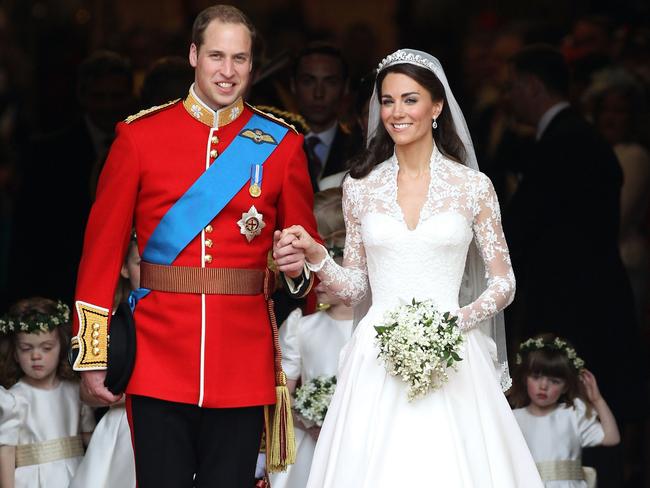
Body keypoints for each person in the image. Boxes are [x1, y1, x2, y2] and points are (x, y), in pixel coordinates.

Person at [70, 5, 319, 488]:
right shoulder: (139, 137)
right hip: (157, 357)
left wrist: (296, 269)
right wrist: (94, 354)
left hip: (243, 362)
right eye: (216, 56)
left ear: (252, 64)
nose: (227, 72)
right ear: (193, 55)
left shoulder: (281, 144)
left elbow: (303, 265)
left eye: (240, 59)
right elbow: (101, 253)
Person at [275, 49, 543, 486]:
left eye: (410, 99)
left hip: (453, 351)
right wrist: (320, 256)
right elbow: (356, 288)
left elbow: (503, 282)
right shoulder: (360, 187)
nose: (396, 112)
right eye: (387, 100)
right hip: (375, 356)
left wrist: (453, 323)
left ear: (437, 106)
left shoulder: (473, 187)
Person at [503, 45, 645, 428]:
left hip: (570, 303)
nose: (509, 96)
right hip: (593, 297)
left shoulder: (562, 144)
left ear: (533, 86)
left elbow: (525, 227)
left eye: (513, 86)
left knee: (577, 414)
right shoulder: (581, 137)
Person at [8, 51, 135, 306]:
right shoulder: (47, 155)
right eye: (100, 96)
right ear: (82, 97)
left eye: (116, 96)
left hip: (131, 293)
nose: (108, 105)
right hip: (64, 290)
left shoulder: (148, 147)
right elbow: (28, 235)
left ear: (130, 98)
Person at [269, 188, 354, 488]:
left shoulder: (370, 327)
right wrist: (309, 416)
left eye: (336, 255)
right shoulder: (300, 326)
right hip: (311, 440)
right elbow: (284, 393)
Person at [0, 297, 96, 488]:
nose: (36, 356)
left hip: (76, 475)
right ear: (15, 354)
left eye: (46, 348)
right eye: (26, 349)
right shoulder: (12, 400)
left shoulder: (76, 390)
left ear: (61, 347)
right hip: (32, 481)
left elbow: (91, 438)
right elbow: (6, 452)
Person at [70, 238, 140, 488]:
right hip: (120, 429)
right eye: (140, 263)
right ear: (123, 268)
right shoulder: (106, 322)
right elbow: (85, 394)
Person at [510, 334, 620, 487]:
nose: (543, 386)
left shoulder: (573, 414)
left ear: (566, 386)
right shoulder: (512, 419)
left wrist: (597, 400)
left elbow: (612, 438)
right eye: (536, 377)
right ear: (524, 378)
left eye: (554, 381)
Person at [291, 43, 360, 191]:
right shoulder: (273, 144)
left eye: (331, 82)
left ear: (345, 87)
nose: (318, 93)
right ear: (293, 86)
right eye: (308, 82)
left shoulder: (360, 148)